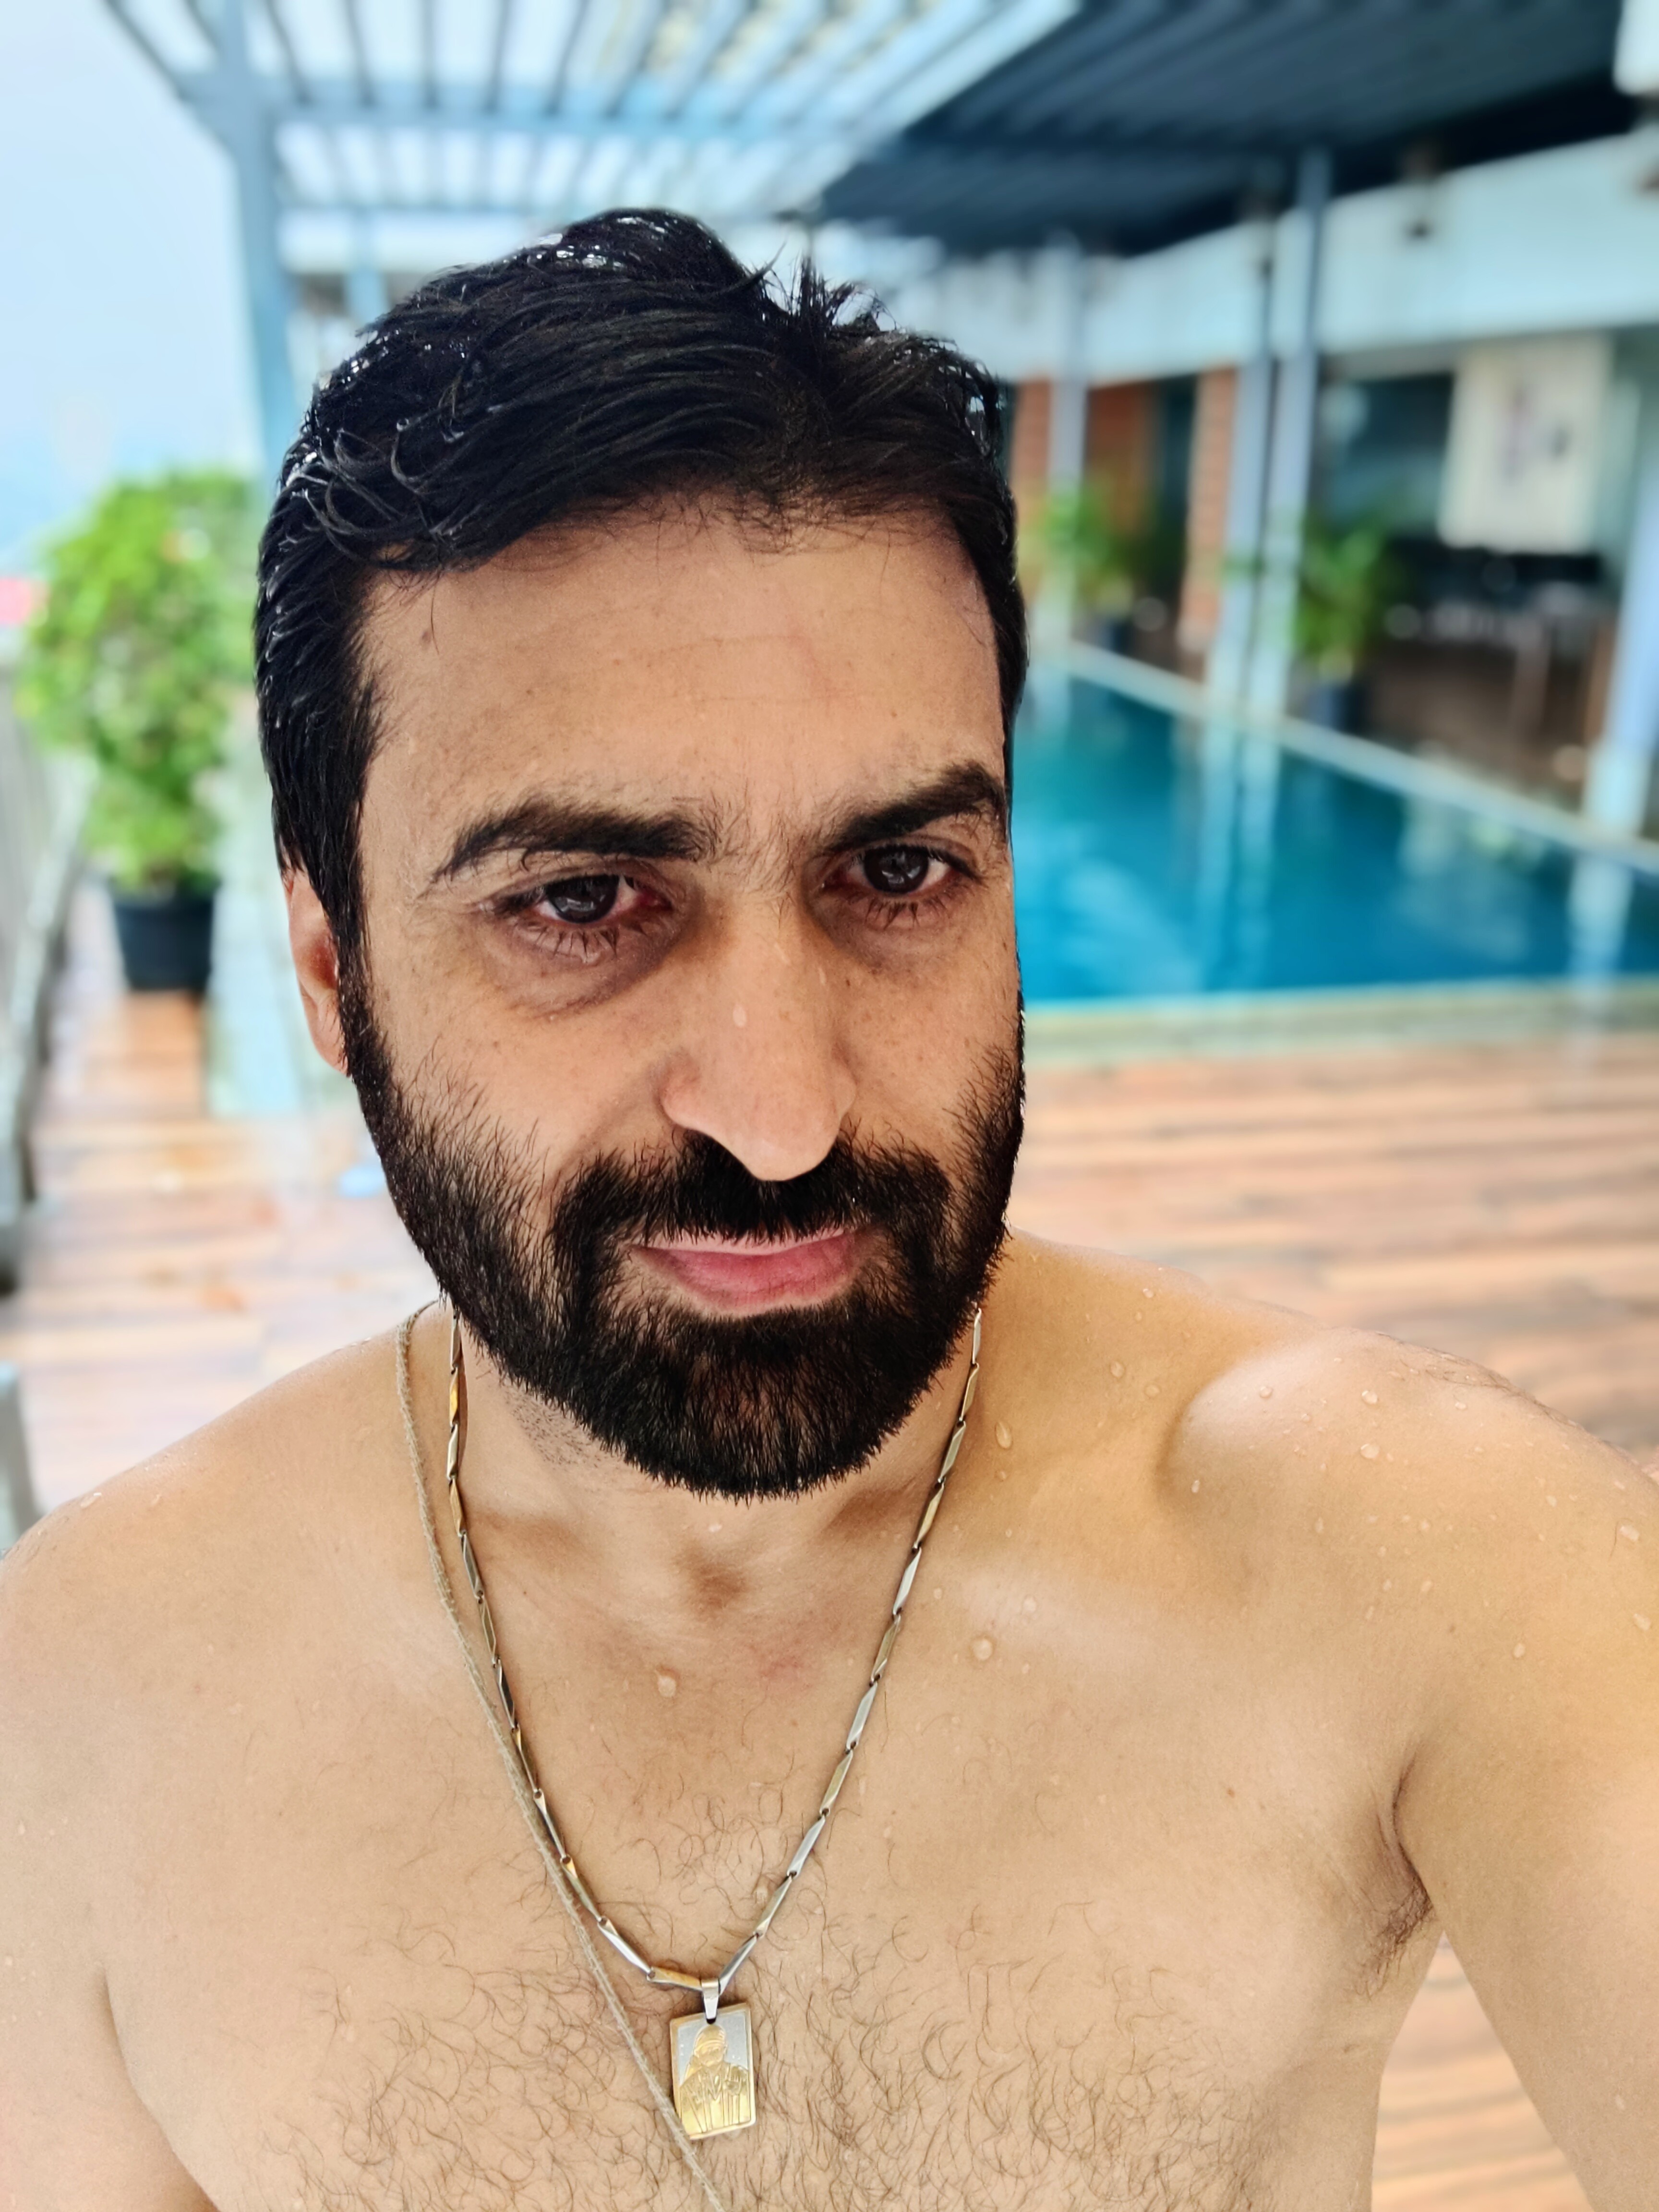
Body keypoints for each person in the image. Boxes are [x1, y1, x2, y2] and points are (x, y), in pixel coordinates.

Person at [0, 211, 1653, 2212]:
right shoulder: (85, 1708)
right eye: (582, 903)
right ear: (333, 972)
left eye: (897, 874)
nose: (781, 1117)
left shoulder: (1417, 1562)